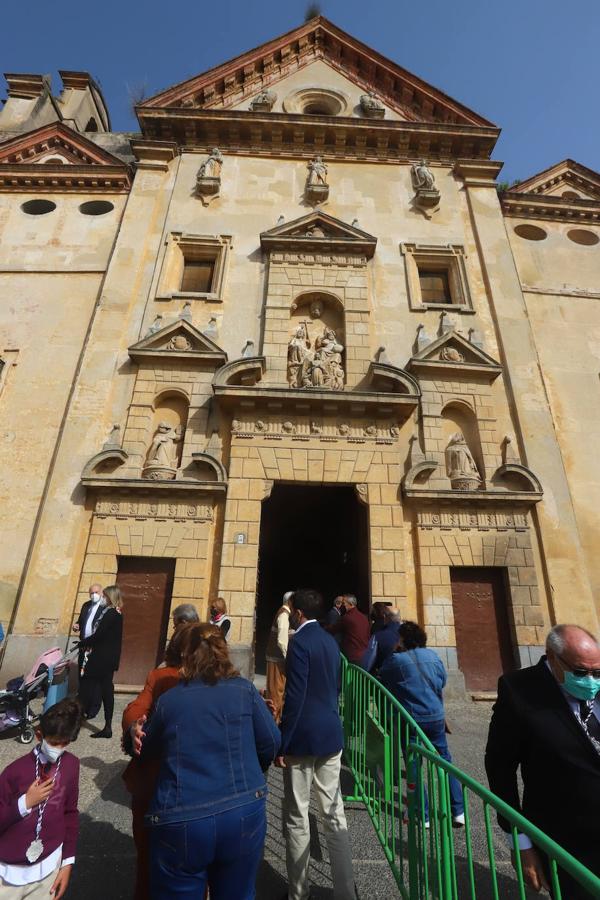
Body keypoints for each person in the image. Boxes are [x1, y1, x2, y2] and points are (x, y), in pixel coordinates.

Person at [134, 623, 280, 899]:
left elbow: (148, 751)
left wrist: (135, 734)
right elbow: (271, 742)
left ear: (185, 656)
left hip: (182, 817)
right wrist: (254, 766)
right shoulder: (245, 690)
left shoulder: (170, 701)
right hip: (242, 809)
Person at [485, 624, 600, 898]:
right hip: (567, 840)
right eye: (581, 672)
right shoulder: (518, 690)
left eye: (598, 672)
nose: (591, 680)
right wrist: (519, 840)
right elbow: (500, 768)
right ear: (551, 657)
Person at [277, 589, 355, 900]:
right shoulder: (329, 642)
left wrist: (283, 742)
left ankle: (299, 892)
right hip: (330, 734)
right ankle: (346, 892)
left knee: (297, 815)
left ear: (297, 613)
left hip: (303, 738)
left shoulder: (300, 643)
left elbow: (294, 698)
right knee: (334, 814)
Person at [122, 627, 188, 900]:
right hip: (183, 784)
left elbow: (134, 711)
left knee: (149, 859)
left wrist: (132, 727)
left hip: (157, 784)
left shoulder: (162, 676)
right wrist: (134, 726)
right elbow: (136, 709)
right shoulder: (163, 676)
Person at [379, 621, 464, 826]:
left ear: (402, 639)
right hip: (435, 717)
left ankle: (421, 813)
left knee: (413, 766)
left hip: (411, 719)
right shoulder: (433, 656)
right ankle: (458, 810)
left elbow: (384, 678)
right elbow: (442, 681)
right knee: (445, 761)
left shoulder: (395, 660)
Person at [0, 698, 81, 899]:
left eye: (64, 743)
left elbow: (70, 813)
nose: (58, 748)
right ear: (39, 735)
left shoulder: (71, 765)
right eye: (53, 742)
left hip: (48, 870)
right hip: (8, 874)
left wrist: (67, 862)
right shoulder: (15, 771)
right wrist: (24, 803)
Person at [78, 584, 123, 738]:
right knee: (106, 691)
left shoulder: (111, 614)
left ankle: (75, 725)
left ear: (110, 597)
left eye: (104, 596)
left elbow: (99, 635)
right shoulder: (115, 613)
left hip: (101, 658)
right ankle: (107, 726)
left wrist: (82, 643)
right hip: (107, 659)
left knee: (85, 689)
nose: (102, 598)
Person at [265, 592, 295, 723]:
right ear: (290, 601)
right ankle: (274, 725)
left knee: (278, 692)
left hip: (277, 659)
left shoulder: (285, 613)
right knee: (276, 694)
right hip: (277, 660)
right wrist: (288, 657)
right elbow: (282, 641)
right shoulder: (284, 614)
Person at [326, 595, 370, 667]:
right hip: (365, 655)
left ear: (351, 604)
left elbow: (332, 629)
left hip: (352, 656)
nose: (341, 605)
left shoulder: (347, 618)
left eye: (344, 603)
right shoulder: (364, 617)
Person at [373, 606, 402, 671]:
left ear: (385, 617)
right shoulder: (410, 632)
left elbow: (368, 661)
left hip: (386, 674)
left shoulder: (378, 636)